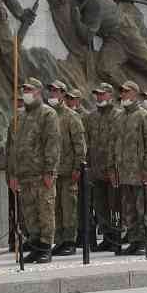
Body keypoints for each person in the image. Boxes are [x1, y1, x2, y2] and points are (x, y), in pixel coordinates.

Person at [8, 77, 60, 262]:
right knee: (29, 213)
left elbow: (52, 144)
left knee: (44, 210)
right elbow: (13, 148)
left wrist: (49, 170)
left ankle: (46, 247)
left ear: (38, 92)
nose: (26, 93)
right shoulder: (19, 117)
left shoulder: (48, 114)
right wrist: (12, 174)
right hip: (24, 173)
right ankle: (36, 244)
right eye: (24, 90)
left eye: (29, 90)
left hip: (40, 173)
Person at [112, 80, 147, 254]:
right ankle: (133, 240)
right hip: (125, 173)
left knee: (143, 209)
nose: (122, 94)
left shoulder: (144, 116)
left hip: (141, 174)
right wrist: (113, 168)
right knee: (129, 210)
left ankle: (144, 241)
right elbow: (114, 144)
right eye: (121, 91)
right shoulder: (120, 117)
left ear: (134, 93)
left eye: (126, 91)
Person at [48, 79, 86, 253]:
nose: (53, 94)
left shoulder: (71, 116)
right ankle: (60, 239)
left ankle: (70, 241)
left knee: (68, 206)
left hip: (68, 170)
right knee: (56, 207)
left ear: (63, 94)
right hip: (53, 171)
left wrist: (78, 168)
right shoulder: (48, 115)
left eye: (57, 91)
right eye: (52, 91)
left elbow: (80, 144)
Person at [84, 82, 121, 251]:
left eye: (102, 94)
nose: (99, 97)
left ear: (110, 95)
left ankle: (116, 237)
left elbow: (119, 144)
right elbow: (87, 143)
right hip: (96, 171)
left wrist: (114, 168)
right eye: (97, 94)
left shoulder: (118, 116)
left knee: (115, 205)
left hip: (112, 170)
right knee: (101, 206)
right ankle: (107, 236)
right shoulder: (91, 117)